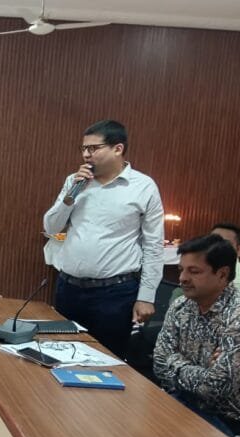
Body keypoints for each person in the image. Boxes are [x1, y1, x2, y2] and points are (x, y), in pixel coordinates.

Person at [43, 120, 164, 358]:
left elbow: (153, 246)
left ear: (118, 149)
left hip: (115, 294)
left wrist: (146, 297)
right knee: (60, 355)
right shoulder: (75, 181)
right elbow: (51, 227)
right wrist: (72, 194)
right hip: (69, 289)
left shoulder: (144, 186)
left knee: (107, 360)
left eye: (93, 148)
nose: (86, 155)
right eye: (83, 149)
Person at [153, 234, 240, 437]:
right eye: (181, 270)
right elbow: (159, 362)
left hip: (231, 423)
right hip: (183, 401)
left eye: (194, 271)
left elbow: (215, 387)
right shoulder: (181, 306)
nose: (182, 278)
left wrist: (175, 362)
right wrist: (204, 370)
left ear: (222, 274)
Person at [211, 222, 240, 301]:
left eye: (224, 244)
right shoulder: (206, 268)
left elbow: (214, 304)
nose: (216, 247)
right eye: (212, 242)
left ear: (238, 250)